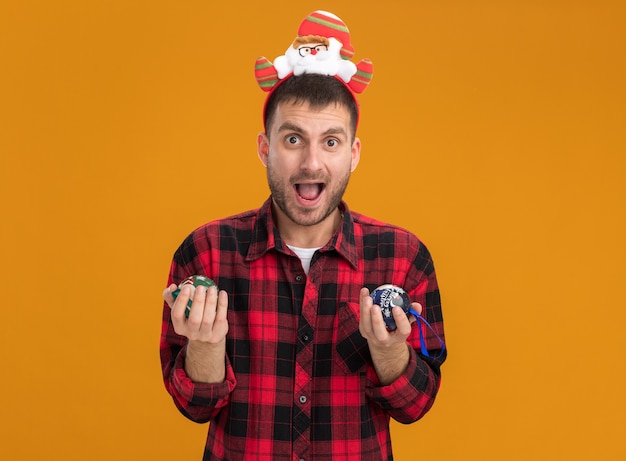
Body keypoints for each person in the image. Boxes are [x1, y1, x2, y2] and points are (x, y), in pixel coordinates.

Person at [160, 10, 446, 461]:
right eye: (293, 139)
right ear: (264, 148)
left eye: (330, 142)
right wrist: (205, 344)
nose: (312, 163)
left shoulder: (403, 256)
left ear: (353, 154)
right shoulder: (207, 252)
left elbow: (415, 406)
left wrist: (389, 351)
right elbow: (194, 406)